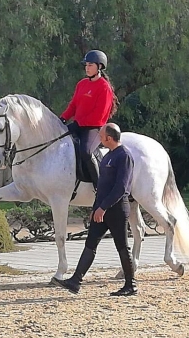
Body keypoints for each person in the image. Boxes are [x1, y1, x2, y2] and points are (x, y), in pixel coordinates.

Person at [52, 123, 137, 296]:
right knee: (90, 244)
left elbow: (121, 188)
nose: (98, 138)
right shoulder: (107, 157)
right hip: (101, 210)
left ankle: (131, 285)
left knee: (122, 246)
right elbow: (102, 187)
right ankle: (76, 281)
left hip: (117, 209)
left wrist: (103, 207)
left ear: (109, 138)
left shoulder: (124, 156)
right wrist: (96, 207)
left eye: (101, 136)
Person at [59, 50, 119, 189]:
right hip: (78, 125)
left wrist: (79, 123)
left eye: (90, 65)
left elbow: (99, 115)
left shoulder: (104, 88)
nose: (87, 68)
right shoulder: (82, 84)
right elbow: (73, 105)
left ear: (99, 67)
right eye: (86, 65)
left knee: (86, 152)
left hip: (94, 128)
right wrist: (63, 118)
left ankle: (100, 186)